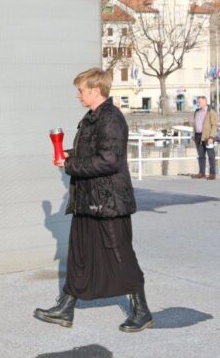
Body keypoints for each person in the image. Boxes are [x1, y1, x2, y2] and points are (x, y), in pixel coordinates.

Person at [34, 68, 152, 332]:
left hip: (109, 202)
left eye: (81, 90)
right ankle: (65, 308)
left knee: (120, 254)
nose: (78, 95)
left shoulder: (110, 118)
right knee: (79, 253)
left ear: (95, 90)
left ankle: (142, 311)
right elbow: (91, 152)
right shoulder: (92, 118)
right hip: (88, 199)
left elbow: (110, 160)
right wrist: (67, 154)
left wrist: (71, 164)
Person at [191, 96, 217, 180]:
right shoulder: (197, 112)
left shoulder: (211, 112)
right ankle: (201, 173)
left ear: (205, 102)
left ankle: (212, 174)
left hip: (207, 137)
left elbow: (214, 125)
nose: (198, 103)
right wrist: (194, 136)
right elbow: (195, 125)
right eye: (198, 102)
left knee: (211, 156)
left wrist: (211, 137)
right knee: (201, 156)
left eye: (200, 102)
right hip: (198, 136)